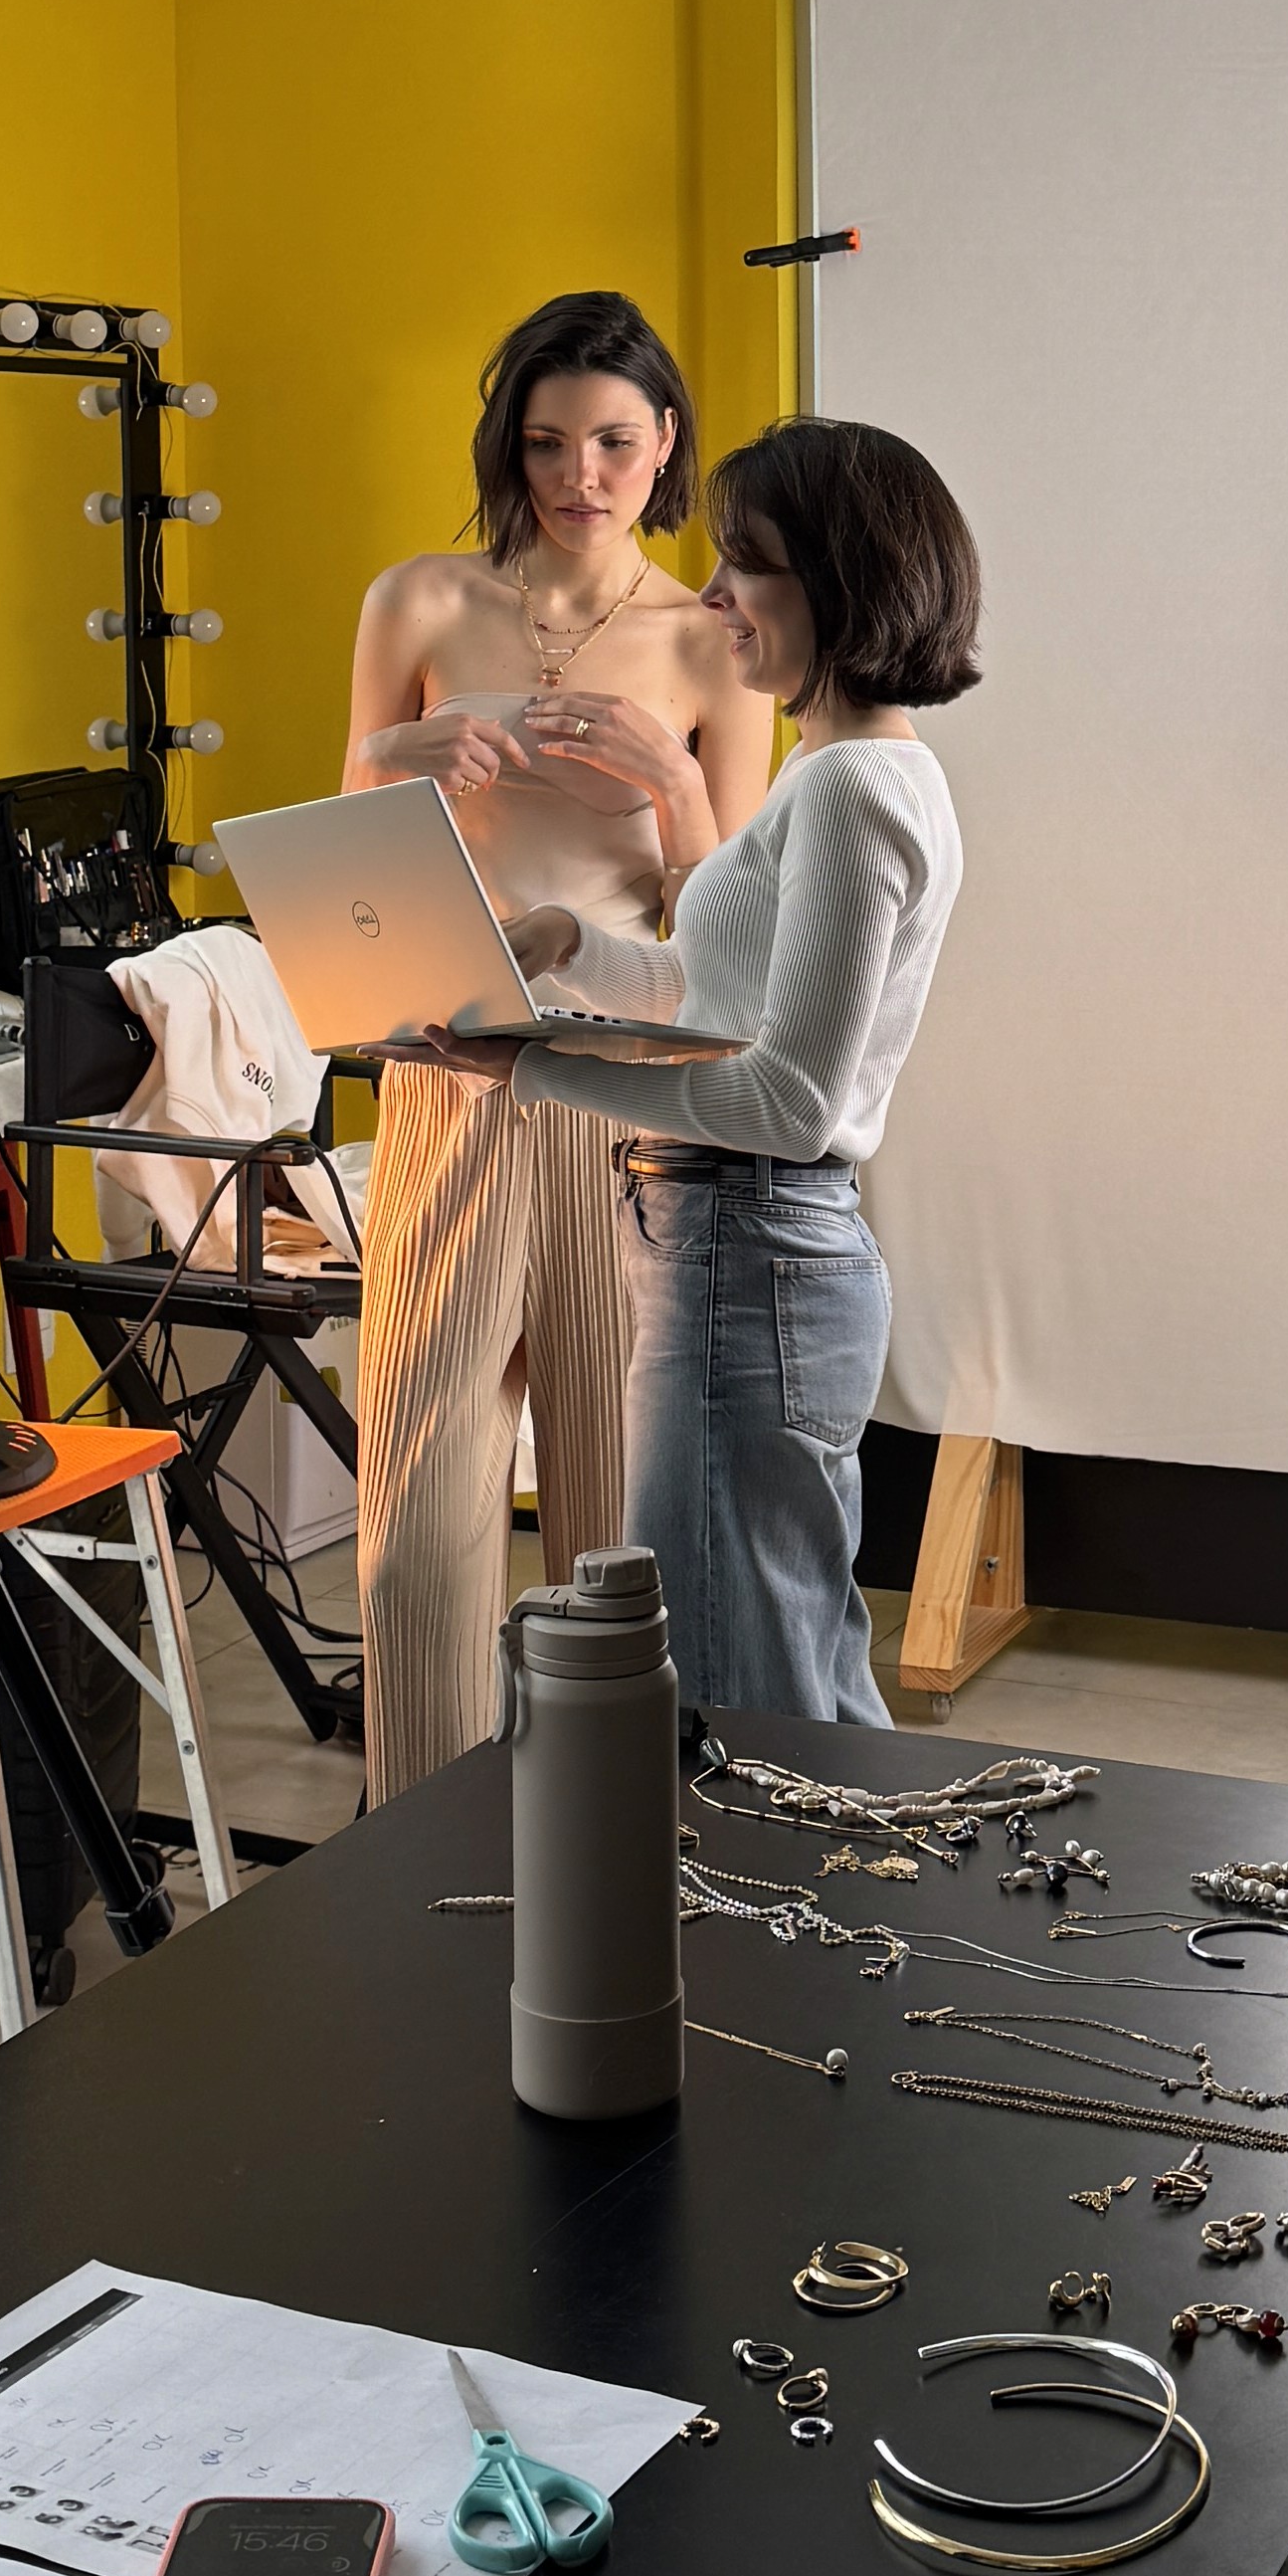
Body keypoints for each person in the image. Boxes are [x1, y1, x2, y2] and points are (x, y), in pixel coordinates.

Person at [396, 416, 976, 1723]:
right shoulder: (857, 771)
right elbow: (714, 998)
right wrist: (570, 947)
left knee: (734, 1699)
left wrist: (529, 1069)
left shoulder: (848, 791)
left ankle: (797, 1876)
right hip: (749, 1255)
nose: (712, 596)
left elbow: (785, 1103)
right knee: (790, 1671)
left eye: (746, 564)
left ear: (838, 581)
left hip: (746, 1249)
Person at [339, 291, 773, 1796]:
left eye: (613, 443)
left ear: (667, 446)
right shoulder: (417, 601)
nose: (579, 475)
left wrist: (674, 784)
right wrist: (394, 756)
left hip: (623, 1091)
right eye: (544, 443)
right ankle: (407, 1855)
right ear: (507, 446)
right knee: (416, 1530)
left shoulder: (710, 642)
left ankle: (612, 1851)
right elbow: (352, 871)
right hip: (446, 1078)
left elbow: (731, 935)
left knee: (609, 1527)